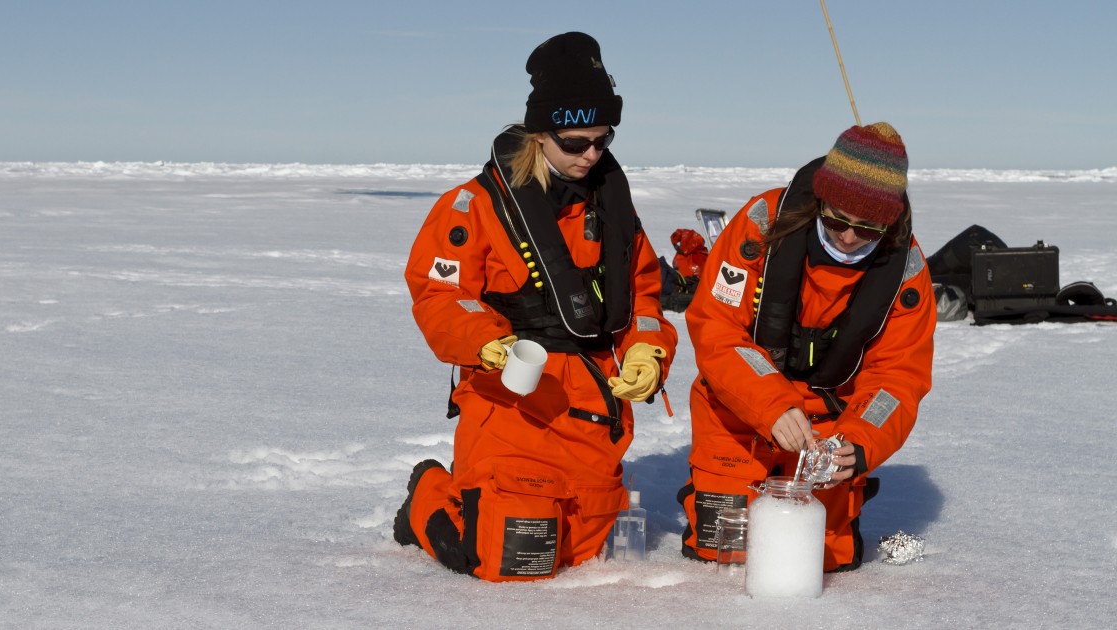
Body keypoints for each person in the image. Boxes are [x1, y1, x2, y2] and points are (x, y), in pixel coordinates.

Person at [393, 32, 678, 582]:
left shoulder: (613, 209)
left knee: (579, 554)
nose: (591, 155)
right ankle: (427, 496)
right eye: (575, 143)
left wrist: (648, 349)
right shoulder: (472, 207)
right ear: (539, 134)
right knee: (511, 558)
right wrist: (485, 342)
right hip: (513, 403)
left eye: (602, 140)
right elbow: (439, 294)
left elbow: (644, 295)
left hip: (593, 406)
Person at [677, 122, 936, 572]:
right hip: (740, 407)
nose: (849, 237)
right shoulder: (761, 224)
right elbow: (717, 328)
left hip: (829, 428)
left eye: (868, 228)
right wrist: (772, 405)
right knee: (727, 556)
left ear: (889, 222)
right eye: (836, 220)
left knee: (816, 560)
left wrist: (858, 445)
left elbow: (898, 378)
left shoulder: (906, 274)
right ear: (820, 199)